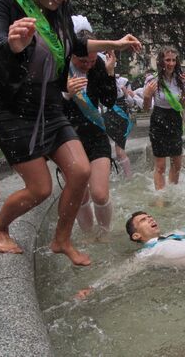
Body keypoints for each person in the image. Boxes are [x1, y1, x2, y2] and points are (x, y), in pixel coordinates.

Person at [0, 0, 141, 264]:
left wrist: (115, 43)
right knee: (40, 189)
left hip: (50, 107)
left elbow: (76, 43)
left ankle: (61, 239)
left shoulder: (59, 8)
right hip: (15, 111)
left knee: (80, 170)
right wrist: (12, 44)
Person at [63, 22, 117, 239]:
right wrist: (65, 93)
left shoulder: (99, 66)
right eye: (83, 61)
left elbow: (109, 100)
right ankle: (88, 235)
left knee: (99, 193)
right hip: (68, 137)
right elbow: (47, 106)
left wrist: (110, 73)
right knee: (80, 195)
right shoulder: (60, 67)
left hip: (95, 134)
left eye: (92, 61)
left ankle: (104, 235)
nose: (88, 65)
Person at [143, 46, 185, 190]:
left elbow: (183, 106)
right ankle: (161, 198)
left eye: (173, 60)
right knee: (160, 165)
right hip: (158, 120)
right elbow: (146, 108)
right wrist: (147, 96)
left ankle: (172, 192)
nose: (171, 63)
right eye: (167, 60)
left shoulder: (181, 79)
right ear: (161, 61)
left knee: (177, 163)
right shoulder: (152, 79)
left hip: (175, 120)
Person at [104, 72, 135, 179]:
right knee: (107, 148)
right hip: (107, 117)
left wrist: (126, 93)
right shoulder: (98, 79)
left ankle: (128, 178)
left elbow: (131, 102)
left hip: (121, 118)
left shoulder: (124, 81)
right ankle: (122, 177)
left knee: (119, 150)